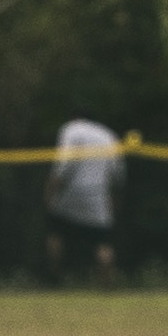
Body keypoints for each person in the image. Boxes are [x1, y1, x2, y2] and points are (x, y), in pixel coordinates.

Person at [44, 117, 125, 278]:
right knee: (103, 242)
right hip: (97, 196)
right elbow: (118, 175)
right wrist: (115, 199)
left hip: (70, 193)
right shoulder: (108, 135)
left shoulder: (71, 129)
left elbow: (64, 164)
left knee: (56, 233)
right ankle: (107, 284)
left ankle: (53, 278)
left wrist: (50, 191)